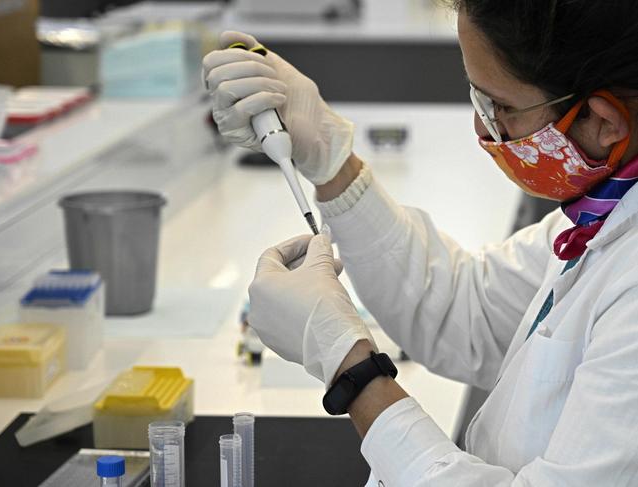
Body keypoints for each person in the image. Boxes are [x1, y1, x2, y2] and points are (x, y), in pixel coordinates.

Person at [201, 0, 638, 484]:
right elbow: (467, 309)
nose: (482, 128)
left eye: (502, 107)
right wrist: (330, 160)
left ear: (605, 122)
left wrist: (352, 369)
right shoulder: (607, 208)